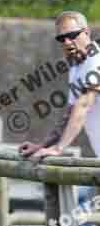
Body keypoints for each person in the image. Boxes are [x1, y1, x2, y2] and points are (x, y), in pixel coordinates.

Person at [20, 11, 100, 161]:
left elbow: (83, 105)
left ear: (87, 32)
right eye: (61, 38)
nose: (67, 42)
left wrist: (58, 149)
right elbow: (70, 113)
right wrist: (43, 146)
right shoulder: (77, 65)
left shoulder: (96, 60)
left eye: (72, 35)